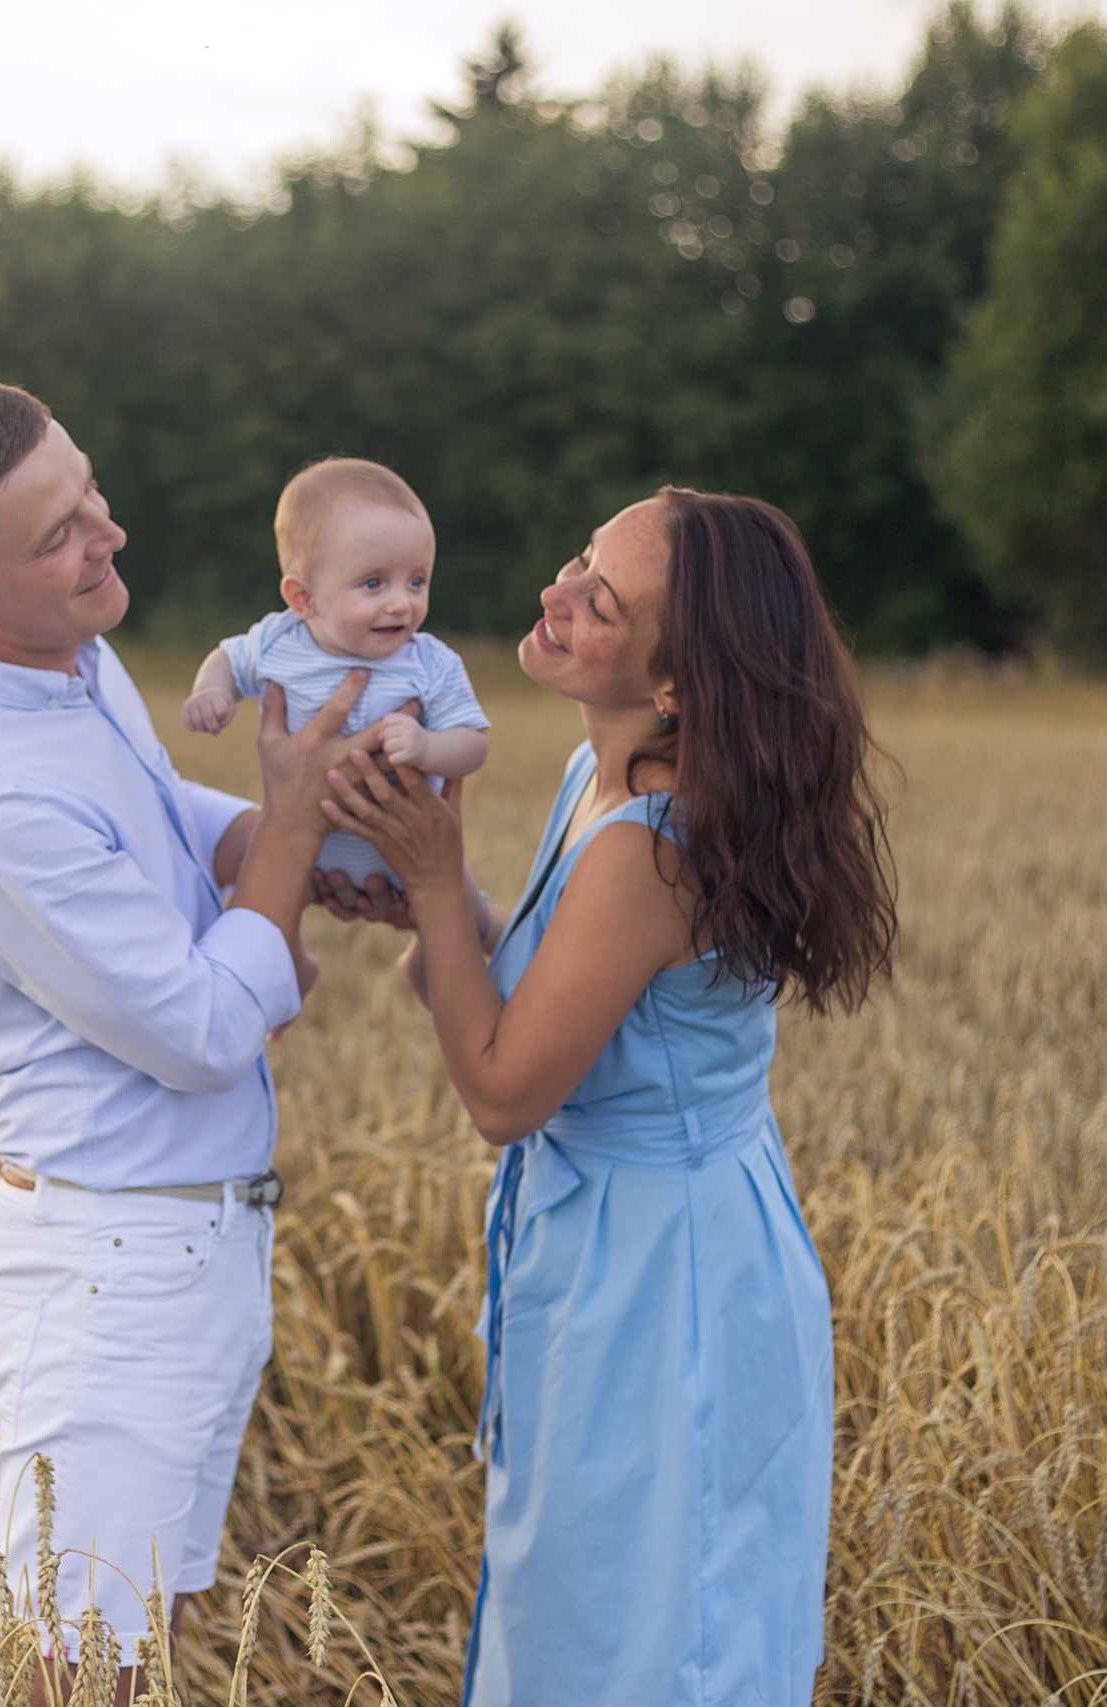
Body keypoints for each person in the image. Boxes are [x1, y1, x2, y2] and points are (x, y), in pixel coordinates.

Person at [0, 378, 379, 1702]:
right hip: (106, 1280)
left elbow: (151, 807)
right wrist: (293, 827)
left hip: (189, 1248)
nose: (109, 533)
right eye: (59, 534)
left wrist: (258, 846)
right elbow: (203, 1029)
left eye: (88, 492)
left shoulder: (67, 658)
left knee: (143, 1640)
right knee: (87, 1675)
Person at [317, 489, 897, 1706]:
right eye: (579, 558)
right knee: (588, 1610)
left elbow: (503, 1092)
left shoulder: (653, 842)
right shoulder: (601, 771)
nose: (555, 594)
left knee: (655, 1637)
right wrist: (442, 908)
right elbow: (563, 984)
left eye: (601, 600)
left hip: (663, 1278)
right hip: (624, 1243)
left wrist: (437, 886)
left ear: (676, 682)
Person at [182, 457, 490, 892]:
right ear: (303, 598)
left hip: (409, 855)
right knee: (266, 897)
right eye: (373, 583)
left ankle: (464, 932)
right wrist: (212, 691)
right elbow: (228, 660)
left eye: (417, 581)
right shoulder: (278, 641)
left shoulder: (430, 663)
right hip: (305, 849)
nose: (401, 604)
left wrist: (428, 746)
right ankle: (287, 939)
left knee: (463, 903)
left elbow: (475, 742)